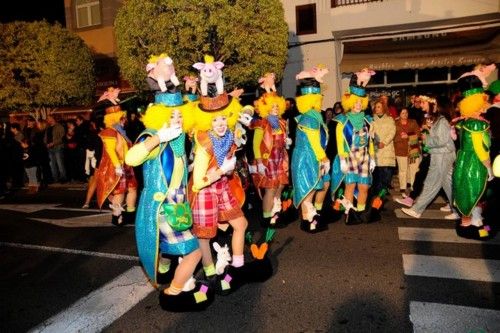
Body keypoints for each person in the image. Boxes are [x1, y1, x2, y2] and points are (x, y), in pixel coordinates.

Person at [189, 55, 272, 295]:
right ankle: (210, 272)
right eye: (215, 119)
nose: (220, 123)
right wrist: (220, 172)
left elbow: (247, 113)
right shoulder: (204, 143)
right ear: (207, 121)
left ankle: (237, 266)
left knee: (241, 223)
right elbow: (197, 183)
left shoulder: (228, 136)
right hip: (205, 191)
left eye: (223, 118)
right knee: (204, 235)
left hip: (223, 187)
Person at [125, 90, 214, 311]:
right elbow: (131, 158)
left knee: (177, 246)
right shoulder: (154, 136)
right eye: (172, 116)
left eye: (180, 115)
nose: (178, 120)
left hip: (179, 201)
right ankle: (173, 292)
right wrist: (158, 138)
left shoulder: (178, 140)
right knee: (193, 252)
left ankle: (172, 274)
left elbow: (178, 170)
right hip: (163, 205)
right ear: (161, 117)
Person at [452, 72, 495, 240]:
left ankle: (470, 224)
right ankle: (475, 228)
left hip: (463, 162)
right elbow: (481, 149)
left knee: (466, 194)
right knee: (475, 193)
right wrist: (489, 168)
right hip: (474, 164)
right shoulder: (477, 124)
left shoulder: (464, 122)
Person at [330, 70, 376, 224]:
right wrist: (343, 159)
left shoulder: (367, 120)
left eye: (359, 102)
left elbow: (370, 141)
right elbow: (339, 142)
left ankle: (361, 212)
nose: (357, 105)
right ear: (349, 103)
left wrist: (372, 157)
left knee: (364, 187)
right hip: (350, 157)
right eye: (355, 102)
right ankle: (350, 214)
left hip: (364, 156)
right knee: (350, 186)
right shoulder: (342, 121)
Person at [400, 95, 456, 219]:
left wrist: (427, 139)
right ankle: (459, 210)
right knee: (448, 185)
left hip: (442, 156)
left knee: (431, 184)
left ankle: (417, 210)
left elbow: (441, 140)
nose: (433, 106)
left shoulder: (442, 121)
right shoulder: (440, 120)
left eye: (435, 105)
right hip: (441, 155)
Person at [291, 74, 331, 233]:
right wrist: (323, 157)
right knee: (309, 189)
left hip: (311, 156)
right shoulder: (309, 118)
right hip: (307, 157)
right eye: (317, 98)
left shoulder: (314, 116)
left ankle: (310, 219)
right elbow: (314, 141)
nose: (319, 101)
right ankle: (308, 222)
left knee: (316, 187)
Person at [94, 87, 138, 226]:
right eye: (122, 118)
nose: (124, 120)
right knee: (119, 192)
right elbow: (110, 150)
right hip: (117, 166)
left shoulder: (121, 131)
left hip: (127, 164)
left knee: (133, 189)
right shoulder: (109, 132)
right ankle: (116, 216)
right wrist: (118, 166)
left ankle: (130, 214)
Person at [251, 89, 290, 226]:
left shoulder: (282, 123)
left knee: (280, 186)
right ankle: (266, 218)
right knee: (270, 188)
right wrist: (260, 162)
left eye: (277, 106)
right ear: (265, 108)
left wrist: (286, 142)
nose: (275, 108)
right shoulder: (261, 123)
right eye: (272, 106)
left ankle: (276, 212)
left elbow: (282, 139)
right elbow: (256, 144)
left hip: (280, 158)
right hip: (268, 159)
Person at [371, 99, 396, 196]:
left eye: (379, 107)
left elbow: (392, 132)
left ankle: (383, 194)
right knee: (377, 175)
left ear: (383, 108)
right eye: (375, 107)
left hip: (387, 150)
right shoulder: (372, 119)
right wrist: (376, 142)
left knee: (386, 175)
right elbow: (370, 132)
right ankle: (376, 196)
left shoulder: (390, 119)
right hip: (376, 149)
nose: (376, 109)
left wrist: (384, 142)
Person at [393, 107, 420, 197]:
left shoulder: (413, 122)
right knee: (403, 170)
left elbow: (418, 134)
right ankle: (403, 188)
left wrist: (408, 136)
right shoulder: (395, 124)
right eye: (403, 113)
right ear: (399, 114)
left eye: (406, 113)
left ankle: (413, 187)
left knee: (414, 169)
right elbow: (392, 137)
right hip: (400, 149)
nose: (405, 114)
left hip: (413, 148)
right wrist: (401, 137)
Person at [44, 115, 67, 183]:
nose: (47, 120)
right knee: (52, 164)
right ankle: (55, 178)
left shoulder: (59, 127)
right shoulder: (48, 128)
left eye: (48, 118)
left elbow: (62, 138)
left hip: (58, 147)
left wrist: (53, 143)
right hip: (49, 148)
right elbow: (45, 137)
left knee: (60, 163)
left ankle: (63, 177)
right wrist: (46, 143)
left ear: (52, 118)